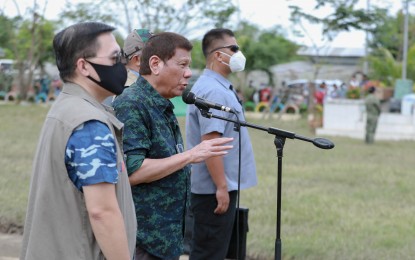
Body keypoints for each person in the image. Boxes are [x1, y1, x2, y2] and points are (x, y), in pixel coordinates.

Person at [20, 22, 136, 260]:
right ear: (83, 66)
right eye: (115, 58)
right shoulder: (89, 123)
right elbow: (102, 212)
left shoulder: (67, 108)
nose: (121, 65)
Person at [112, 32, 233, 260]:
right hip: (144, 240)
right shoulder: (132, 104)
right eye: (182, 65)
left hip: (166, 238)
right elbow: (132, 171)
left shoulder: (161, 102)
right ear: (155, 64)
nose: (188, 73)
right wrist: (191, 155)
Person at [185, 28, 257, 260]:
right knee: (208, 253)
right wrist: (221, 187)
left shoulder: (218, 87)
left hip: (218, 186)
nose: (239, 54)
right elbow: (211, 143)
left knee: (215, 250)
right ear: (217, 55)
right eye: (234, 49)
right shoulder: (212, 91)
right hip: (213, 191)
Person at [102, 28, 152, 106]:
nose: (160, 58)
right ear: (137, 59)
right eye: (154, 54)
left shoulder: (147, 84)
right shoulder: (128, 92)